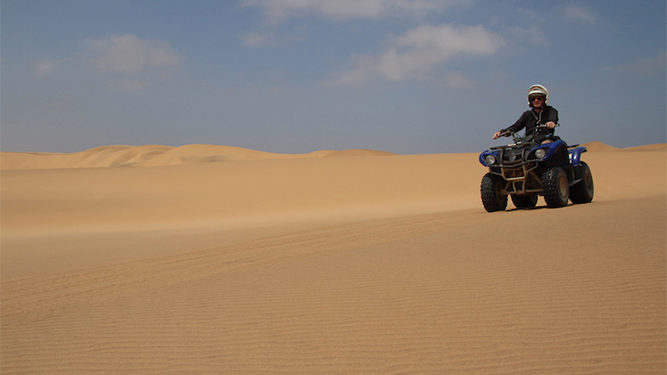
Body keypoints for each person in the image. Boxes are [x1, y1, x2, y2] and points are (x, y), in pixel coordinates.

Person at [493, 84, 559, 144]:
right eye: (533, 99)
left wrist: (551, 122)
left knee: (548, 144)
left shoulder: (551, 110)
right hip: (529, 142)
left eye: (539, 98)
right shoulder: (527, 114)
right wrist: (501, 132)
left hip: (545, 139)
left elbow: (553, 118)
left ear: (544, 100)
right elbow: (516, 126)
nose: (536, 100)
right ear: (530, 101)